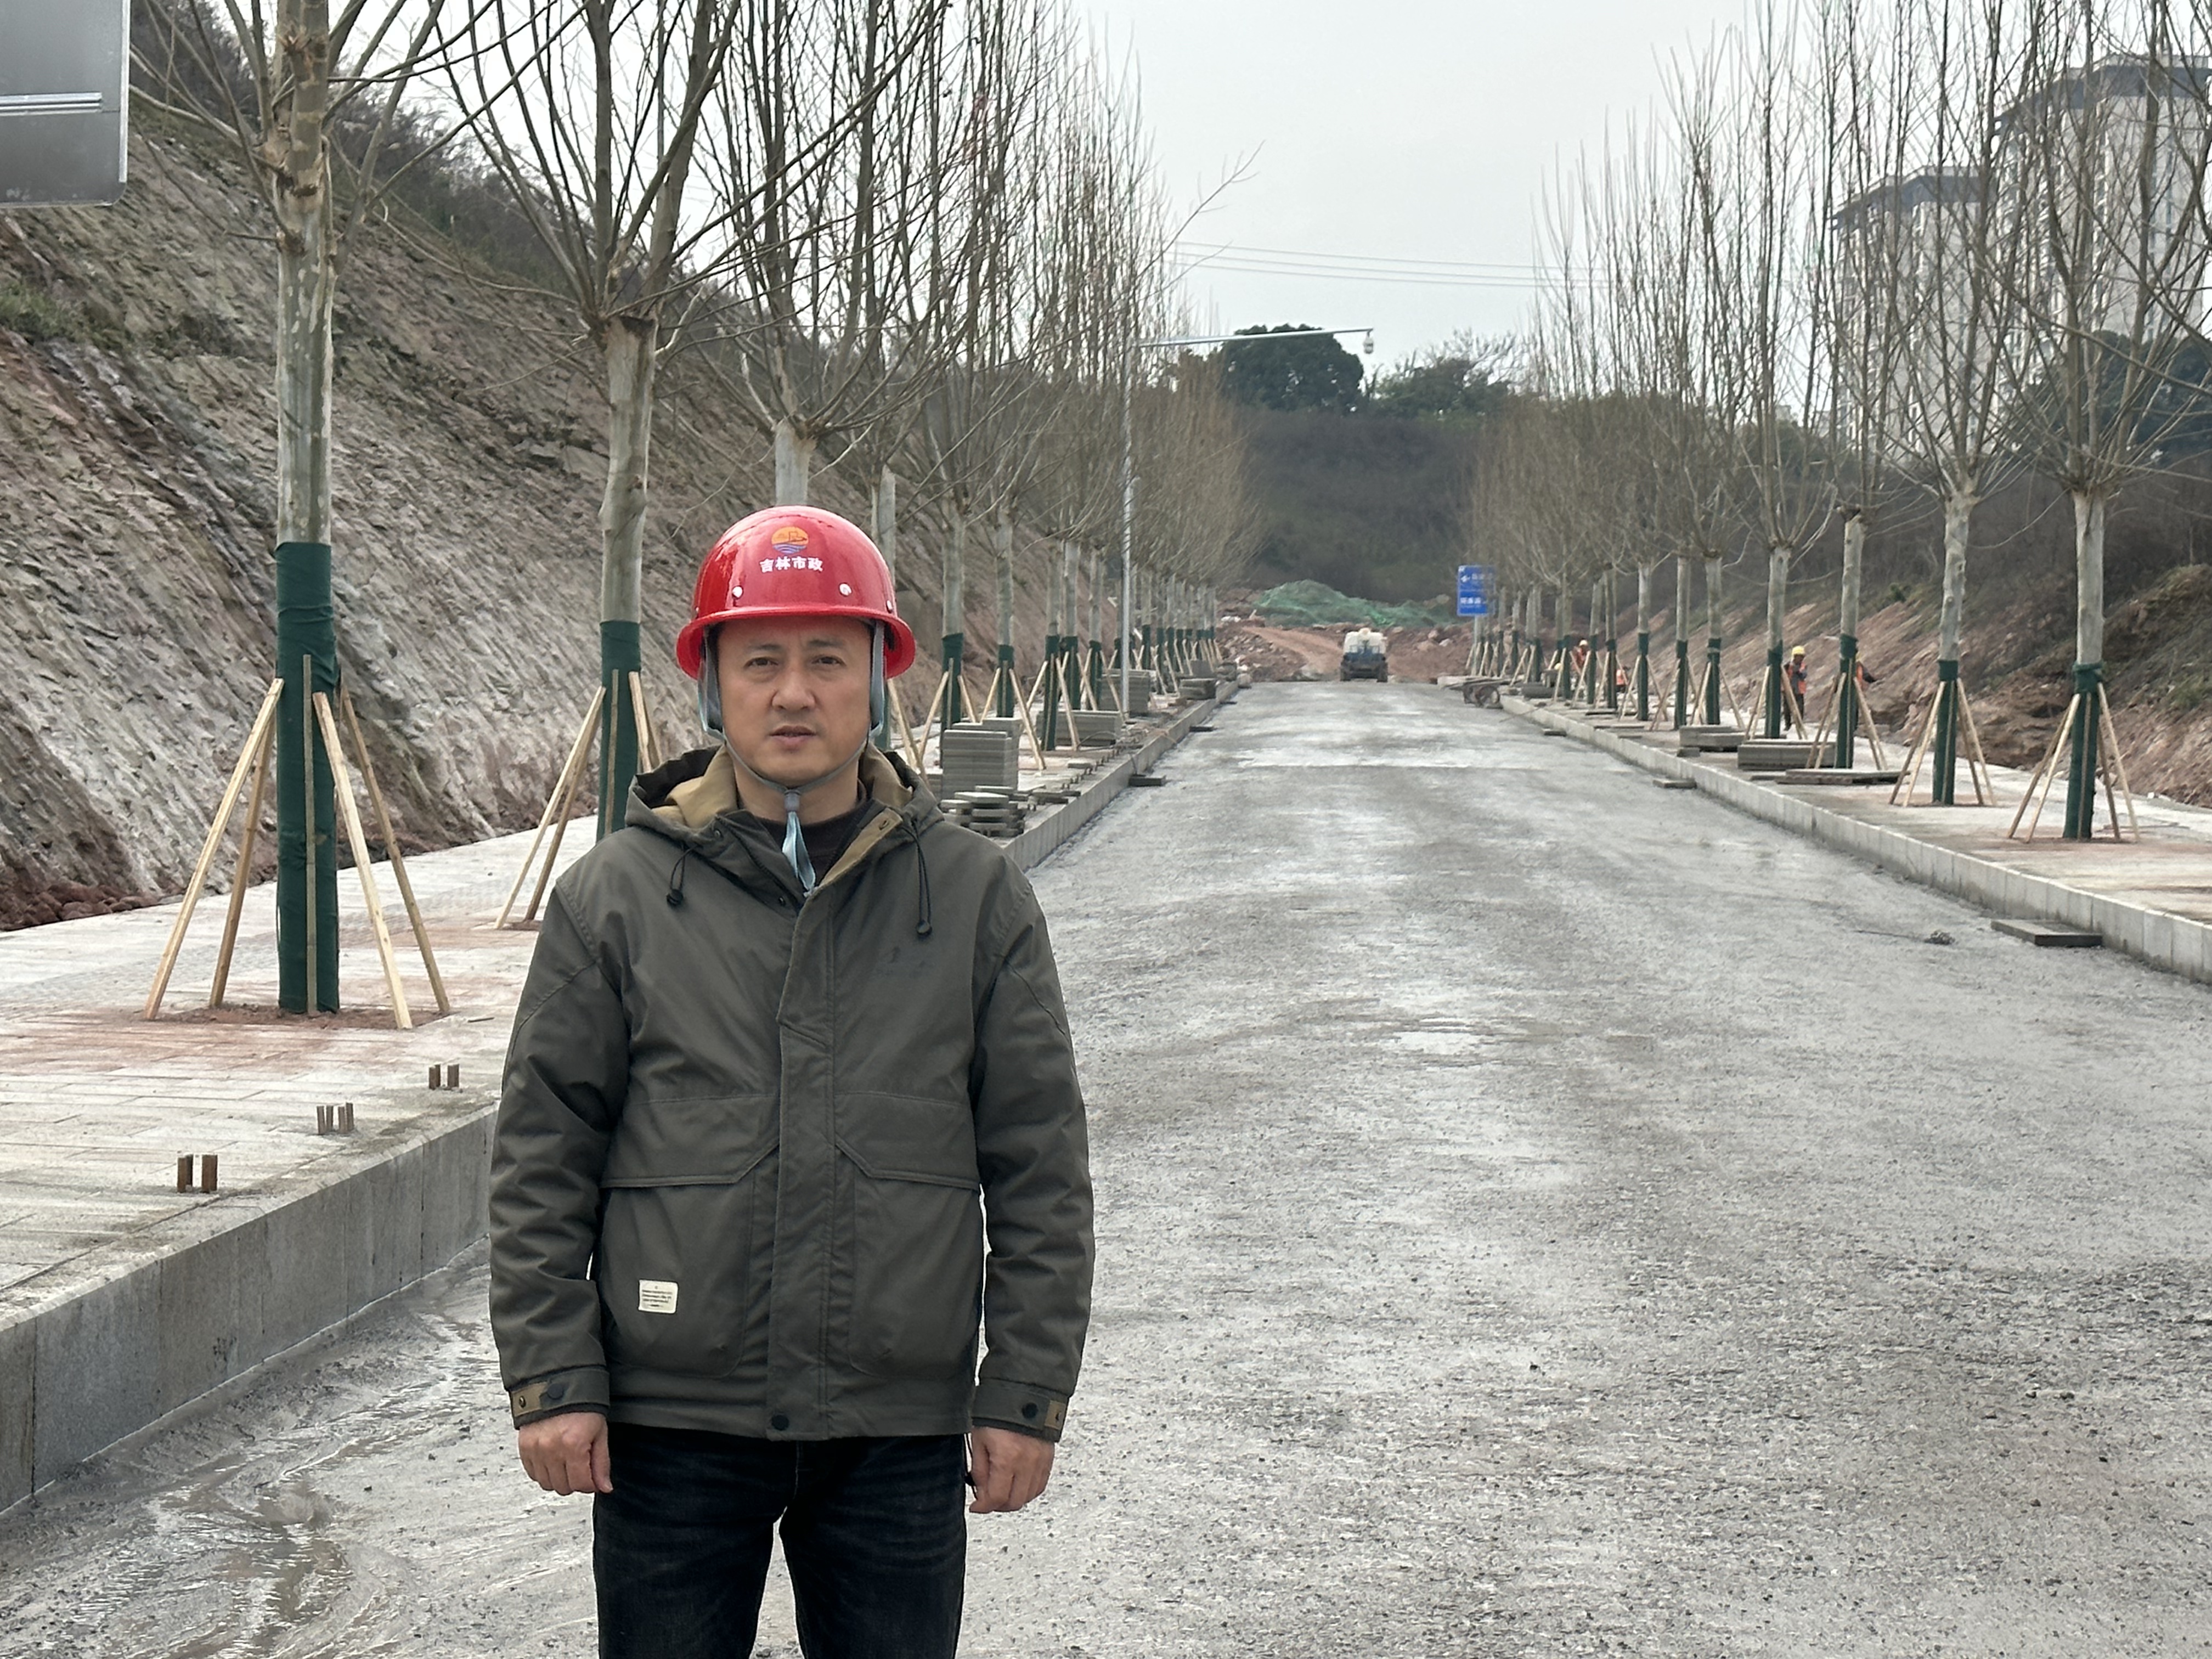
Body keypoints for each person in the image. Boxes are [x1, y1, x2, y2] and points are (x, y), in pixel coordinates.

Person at [489, 504, 1095, 1659]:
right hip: (671, 1429)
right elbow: (542, 1156)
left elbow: (1040, 1167)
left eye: (828, 659)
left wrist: (1025, 1392)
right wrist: (554, 1377)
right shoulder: (617, 898)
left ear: (879, 679)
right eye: (760, 661)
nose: (795, 694)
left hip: (895, 1434)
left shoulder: (974, 897)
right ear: (712, 686)